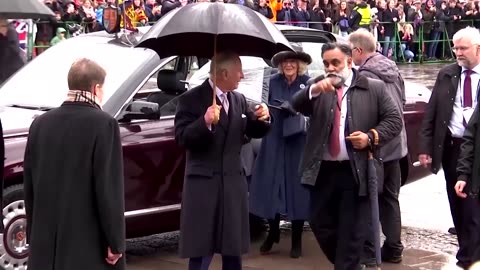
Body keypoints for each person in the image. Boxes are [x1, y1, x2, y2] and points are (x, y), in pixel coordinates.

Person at [290, 42, 402, 269]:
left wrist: (371, 137)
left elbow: (394, 120)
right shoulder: (317, 87)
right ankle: (349, 263)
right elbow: (295, 104)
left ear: (350, 62)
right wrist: (314, 90)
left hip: (355, 171)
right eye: (326, 63)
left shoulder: (373, 87)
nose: (330, 68)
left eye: (336, 62)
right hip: (323, 171)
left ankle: (348, 264)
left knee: (351, 234)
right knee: (321, 225)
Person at [23, 58, 125, 270]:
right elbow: (108, 190)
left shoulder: (40, 124)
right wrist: (115, 242)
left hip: (45, 245)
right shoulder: (104, 124)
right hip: (86, 246)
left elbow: (29, 186)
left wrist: (34, 236)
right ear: (96, 88)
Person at [174, 51, 271, 270]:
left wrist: (264, 119)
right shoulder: (191, 99)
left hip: (232, 186)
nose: (243, 76)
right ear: (224, 73)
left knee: (232, 249)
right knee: (201, 249)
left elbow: (249, 131)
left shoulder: (238, 99)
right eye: (239, 71)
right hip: (204, 186)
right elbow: (182, 138)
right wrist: (204, 122)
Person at [418, 26, 480, 269]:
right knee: (458, 203)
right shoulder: (447, 74)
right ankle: (468, 249)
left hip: (477, 150)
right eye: (455, 47)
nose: (457, 52)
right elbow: (431, 112)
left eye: (463, 48)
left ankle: (468, 258)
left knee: (473, 205)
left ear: (478, 48)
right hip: (453, 148)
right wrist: (425, 147)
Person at [348, 28, 407, 265]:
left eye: (349, 51)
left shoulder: (365, 75)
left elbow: (367, 111)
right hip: (397, 147)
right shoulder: (394, 69)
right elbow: (400, 104)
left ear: (358, 50)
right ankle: (394, 247)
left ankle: (371, 254)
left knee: (370, 198)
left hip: (376, 146)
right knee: (390, 199)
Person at [249, 50, 311, 259]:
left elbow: (316, 111)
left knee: (297, 191)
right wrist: (262, 112)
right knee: (270, 187)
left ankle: (296, 241)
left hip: (297, 141)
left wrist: (298, 110)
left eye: (293, 61)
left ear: (299, 64)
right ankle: (273, 232)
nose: (289, 65)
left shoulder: (307, 82)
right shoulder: (272, 81)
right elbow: (261, 105)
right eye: (285, 62)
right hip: (274, 138)